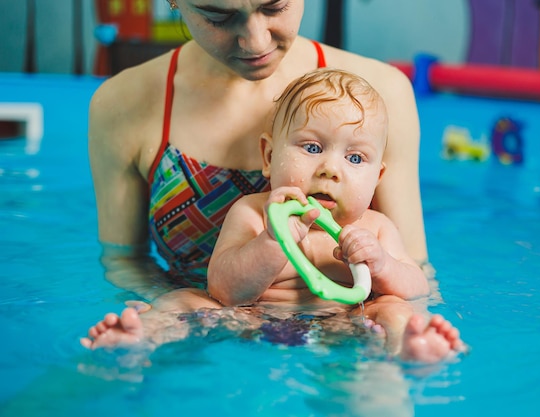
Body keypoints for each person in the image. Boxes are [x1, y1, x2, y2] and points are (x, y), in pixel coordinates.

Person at [82, 68, 464, 363]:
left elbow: (415, 286)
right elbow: (224, 290)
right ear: (268, 158)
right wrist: (272, 241)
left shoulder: (375, 227)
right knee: (185, 300)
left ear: (377, 177)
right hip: (251, 319)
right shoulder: (251, 213)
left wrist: (380, 264)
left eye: (355, 158)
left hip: (347, 321)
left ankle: (409, 346)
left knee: (394, 308)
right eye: (312, 147)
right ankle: (142, 335)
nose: (332, 169)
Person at [88, 0, 433, 301]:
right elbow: (124, 263)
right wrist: (183, 317)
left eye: (275, 6)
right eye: (217, 16)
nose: (256, 42)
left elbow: (414, 277)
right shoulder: (122, 104)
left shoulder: (378, 97)